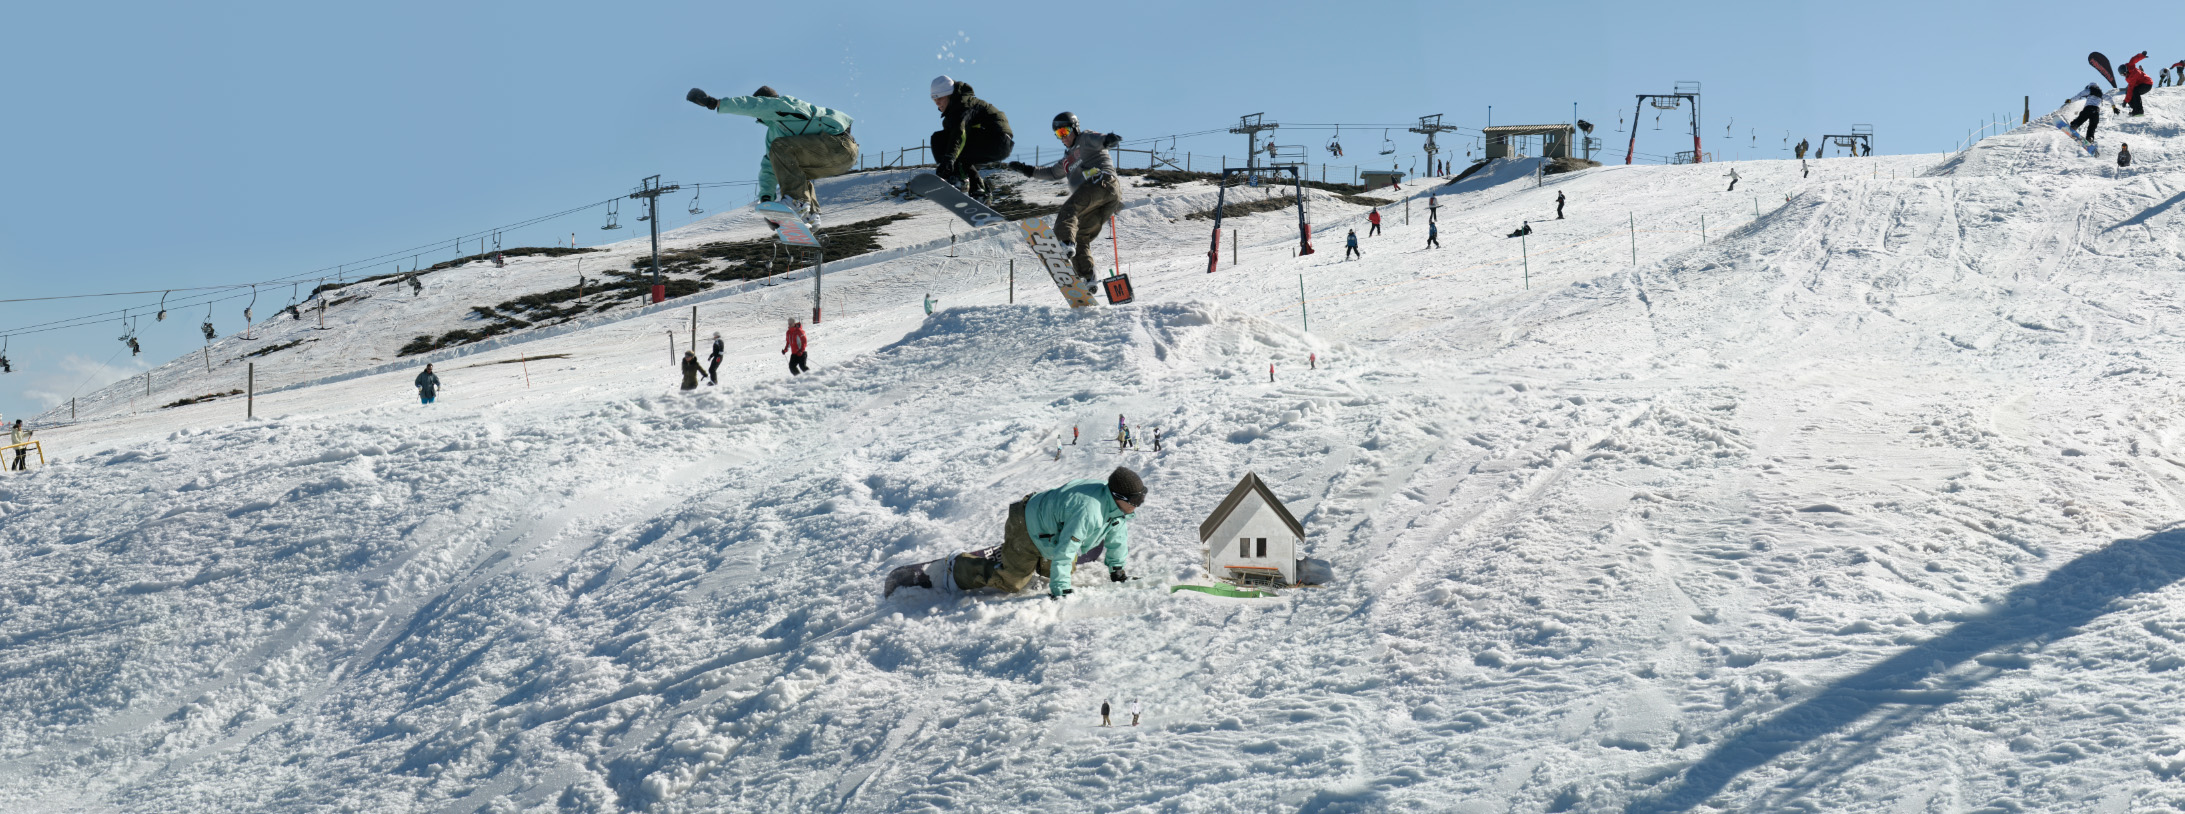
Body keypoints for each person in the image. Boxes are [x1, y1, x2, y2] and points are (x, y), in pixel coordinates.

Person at [950, 466, 1144, 600]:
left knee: (1060, 570)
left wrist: (1117, 571)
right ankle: (958, 565)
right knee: (1012, 582)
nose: (1137, 506)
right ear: (1118, 497)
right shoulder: (1088, 511)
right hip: (1026, 525)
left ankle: (1018, 557)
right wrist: (1060, 590)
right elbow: (1067, 549)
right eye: (1135, 502)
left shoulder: (1117, 508)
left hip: (1050, 530)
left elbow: (1117, 537)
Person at [686, 85, 858, 226]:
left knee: (781, 148)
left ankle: (797, 201)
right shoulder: (775, 133)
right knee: (792, 168)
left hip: (839, 144)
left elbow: (754, 105)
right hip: (837, 160)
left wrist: (714, 103)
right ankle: (810, 217)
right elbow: (770, 167)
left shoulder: (784, 106)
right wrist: (767, 201)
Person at [1007, 112, 1123, 283]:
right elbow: (1052, 173)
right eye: (1058, 134)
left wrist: (1109, 140)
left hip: (1102, 182)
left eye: (1064, 132)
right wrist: (1026, 170)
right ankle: (1087, 277)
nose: (1062, 137)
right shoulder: (1067, 160)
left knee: (1070, 209)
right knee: (1081, 234)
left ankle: (1064, 242)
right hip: (1103, 199)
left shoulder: (1084, 139)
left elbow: (1099, 140)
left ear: (1075, 128)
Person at [928, 76, 1014, 200]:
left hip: (995, 138)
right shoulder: (955, 112)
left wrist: (949, 160)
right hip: (999, 142)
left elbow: (959, 133)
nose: (937, 103)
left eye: (940, 98)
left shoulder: (963, 105)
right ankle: (979, 190)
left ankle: (959, 179)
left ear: (949, 95)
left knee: (940, 140)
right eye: (934, 99)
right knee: (958, 154)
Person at [2121, 52, 2155, 117]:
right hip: (2140, 84)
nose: (2124, 76)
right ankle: (2135, 110)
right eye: (2123, 75)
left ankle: (2139, 111)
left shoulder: (2132, 76)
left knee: (2134, 91)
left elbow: (2135, 59)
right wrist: (2126, 101)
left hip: (2147, 83)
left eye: (2124, 74)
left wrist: (2142, 55)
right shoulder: (2129, 75)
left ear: (2126, 71)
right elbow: (2135, 58)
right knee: (2129, 93)